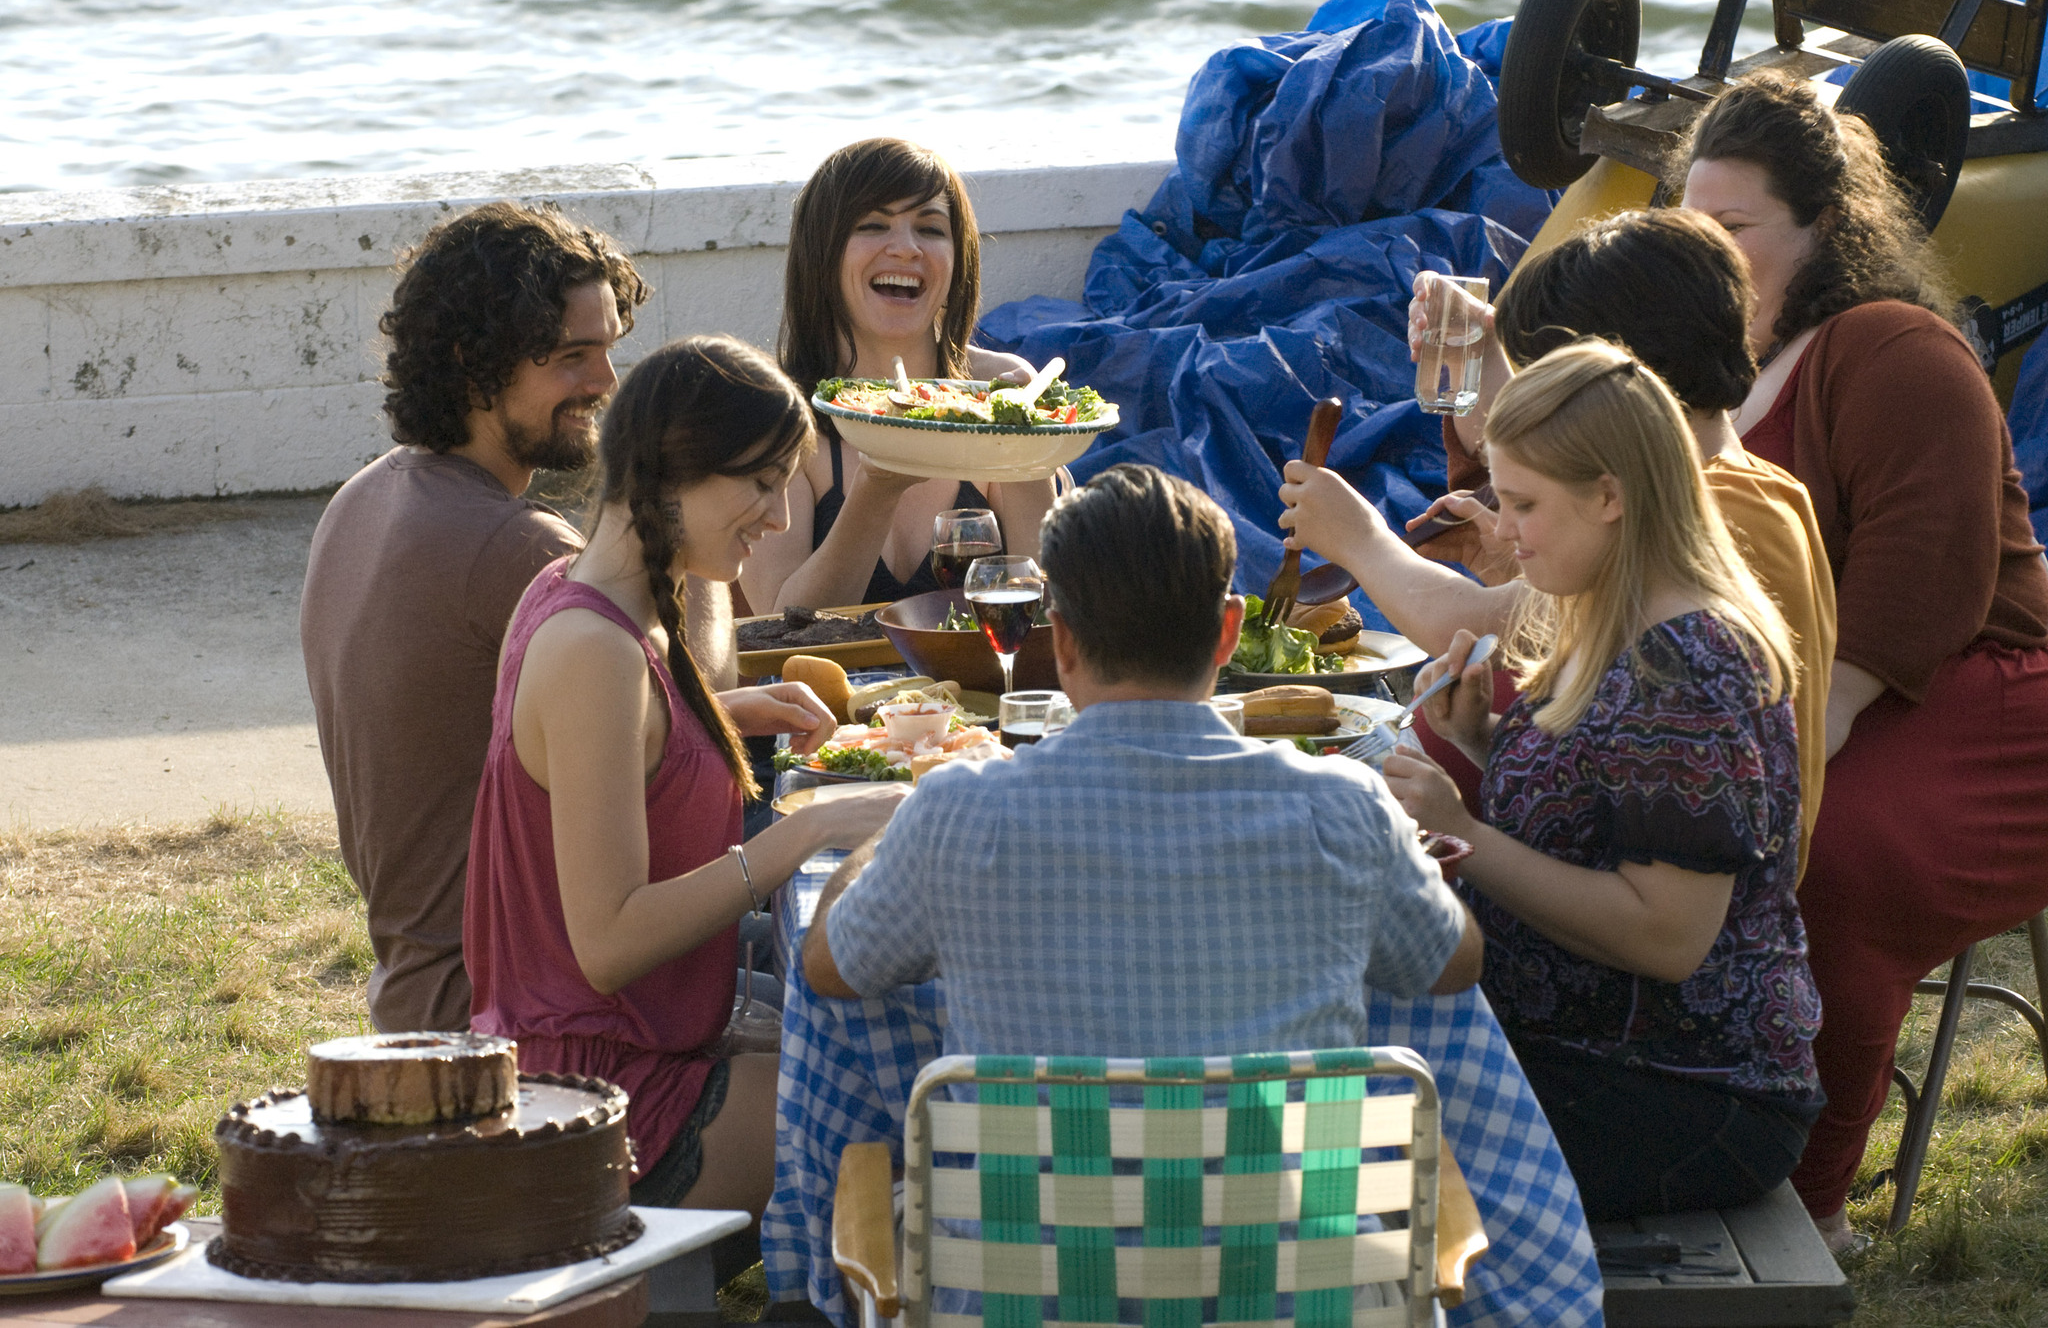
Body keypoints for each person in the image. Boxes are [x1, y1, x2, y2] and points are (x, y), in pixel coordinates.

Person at [1681, 72, 2048, 1249]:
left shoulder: (1892, 350)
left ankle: (1805, 1207)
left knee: (1826, 854)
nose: (1709, 253)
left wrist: (1781, 769)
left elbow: (1915, 590)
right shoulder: (1703, 378)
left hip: (1974, 683)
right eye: (1690, 226)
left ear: (1825, 229)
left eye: (1731, 230)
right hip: (1797, 698)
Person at [803, 461, 1483, 1055]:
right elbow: (1453, 964)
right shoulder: (1344, 808)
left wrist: (895, 819)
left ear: (1060, 641)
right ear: (1228, 633)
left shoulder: (954, 815)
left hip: (1028, 1206)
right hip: (1281, 1205)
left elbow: (830, 966)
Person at [463, 336, 908, 1218]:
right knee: (904, 1110)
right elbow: (611, 940)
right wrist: (807, 832)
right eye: (760, 483)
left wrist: (716, 714)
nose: (780, 517)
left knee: (872, 1048)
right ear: (672, 472)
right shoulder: (593, 652)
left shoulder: (575, 590)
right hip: (598, 1103)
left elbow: (615, 746)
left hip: (628, 1048)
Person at [1380, 339, 1821, 1221]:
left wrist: (1468, 831)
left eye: (1523, 504)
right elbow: (1609, 806)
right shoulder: (1621, 620)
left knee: (1348, 1153)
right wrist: (1484, 744)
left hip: (1682, 1092)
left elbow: (1667, 936)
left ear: (1610, 496)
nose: (1502, 530)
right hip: (1595, 1055)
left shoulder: (1689, 667)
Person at [1280, 209, 1836, 875]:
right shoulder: (1745, 488)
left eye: (1550, 381)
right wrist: (1484, 352)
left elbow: (1474, 621)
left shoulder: (1718, 525)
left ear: (1616, 391)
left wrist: (1358, 538)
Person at [302, 200, 708, 1032]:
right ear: (471, 363)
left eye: (608, 350)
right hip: (509, 1015)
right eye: (571, 357)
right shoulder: (515, 550)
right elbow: (696, 717)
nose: (605, 383)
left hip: (410, 994)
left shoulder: (362, 498)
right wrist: (686, 518)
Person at [743, 138, 1059, 610]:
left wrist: (1024, 449)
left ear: (959, 260)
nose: (907, 249)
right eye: (873, 225)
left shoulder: (1006, 393)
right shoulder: (773, 415)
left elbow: (1049, 609)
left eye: (931, 229)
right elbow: (782, 628)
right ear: (821, 258)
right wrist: (876, 491)